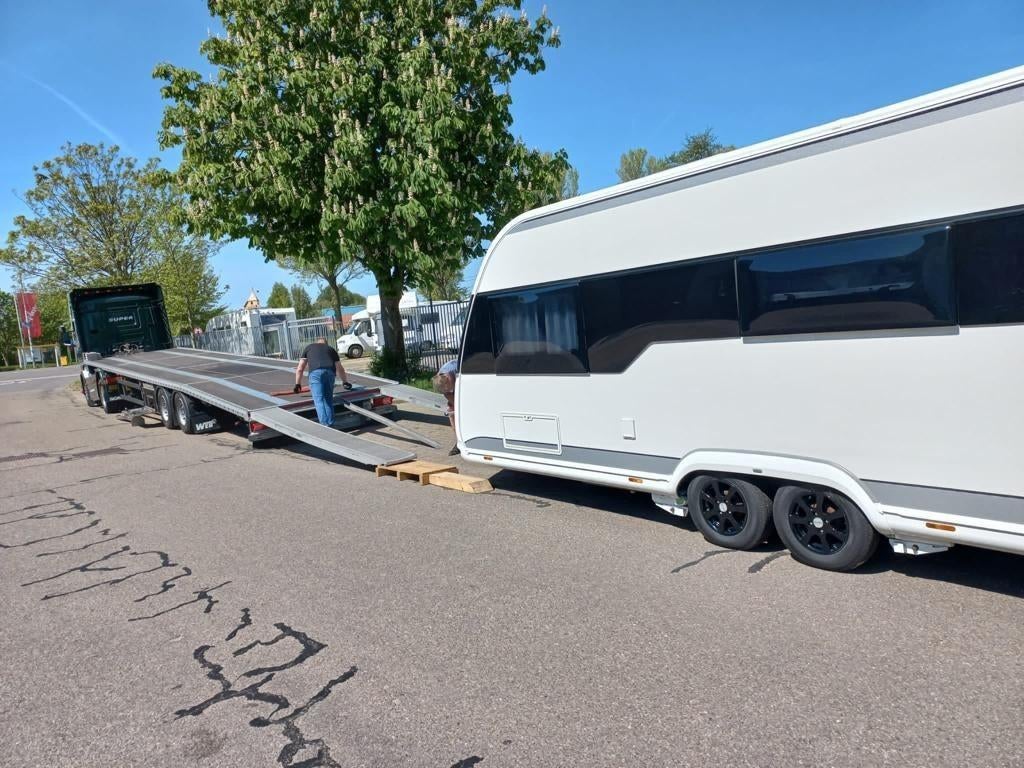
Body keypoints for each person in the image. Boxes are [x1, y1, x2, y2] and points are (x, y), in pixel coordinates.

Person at [294, 337, 352, 426]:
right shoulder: (331, 349)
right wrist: (345, 382)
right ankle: (330, 424)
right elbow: (340, 368)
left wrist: (298, 384)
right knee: (328, 400)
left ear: (317, 343)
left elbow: (300, 368)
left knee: (319, 400)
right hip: (330, 373)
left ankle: (325, 426)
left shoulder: (309, 348)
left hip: (315, 374)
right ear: (326, 344)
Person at [432, 358, 459, 455]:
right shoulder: (440, 379)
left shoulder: (453, 373)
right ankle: (459, 442)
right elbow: (446, 393)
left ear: (448, 380)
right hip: (455, 383)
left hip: (467, 380)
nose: (447, 391)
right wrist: (453, 407)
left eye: (448, 389)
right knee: (452, 414)